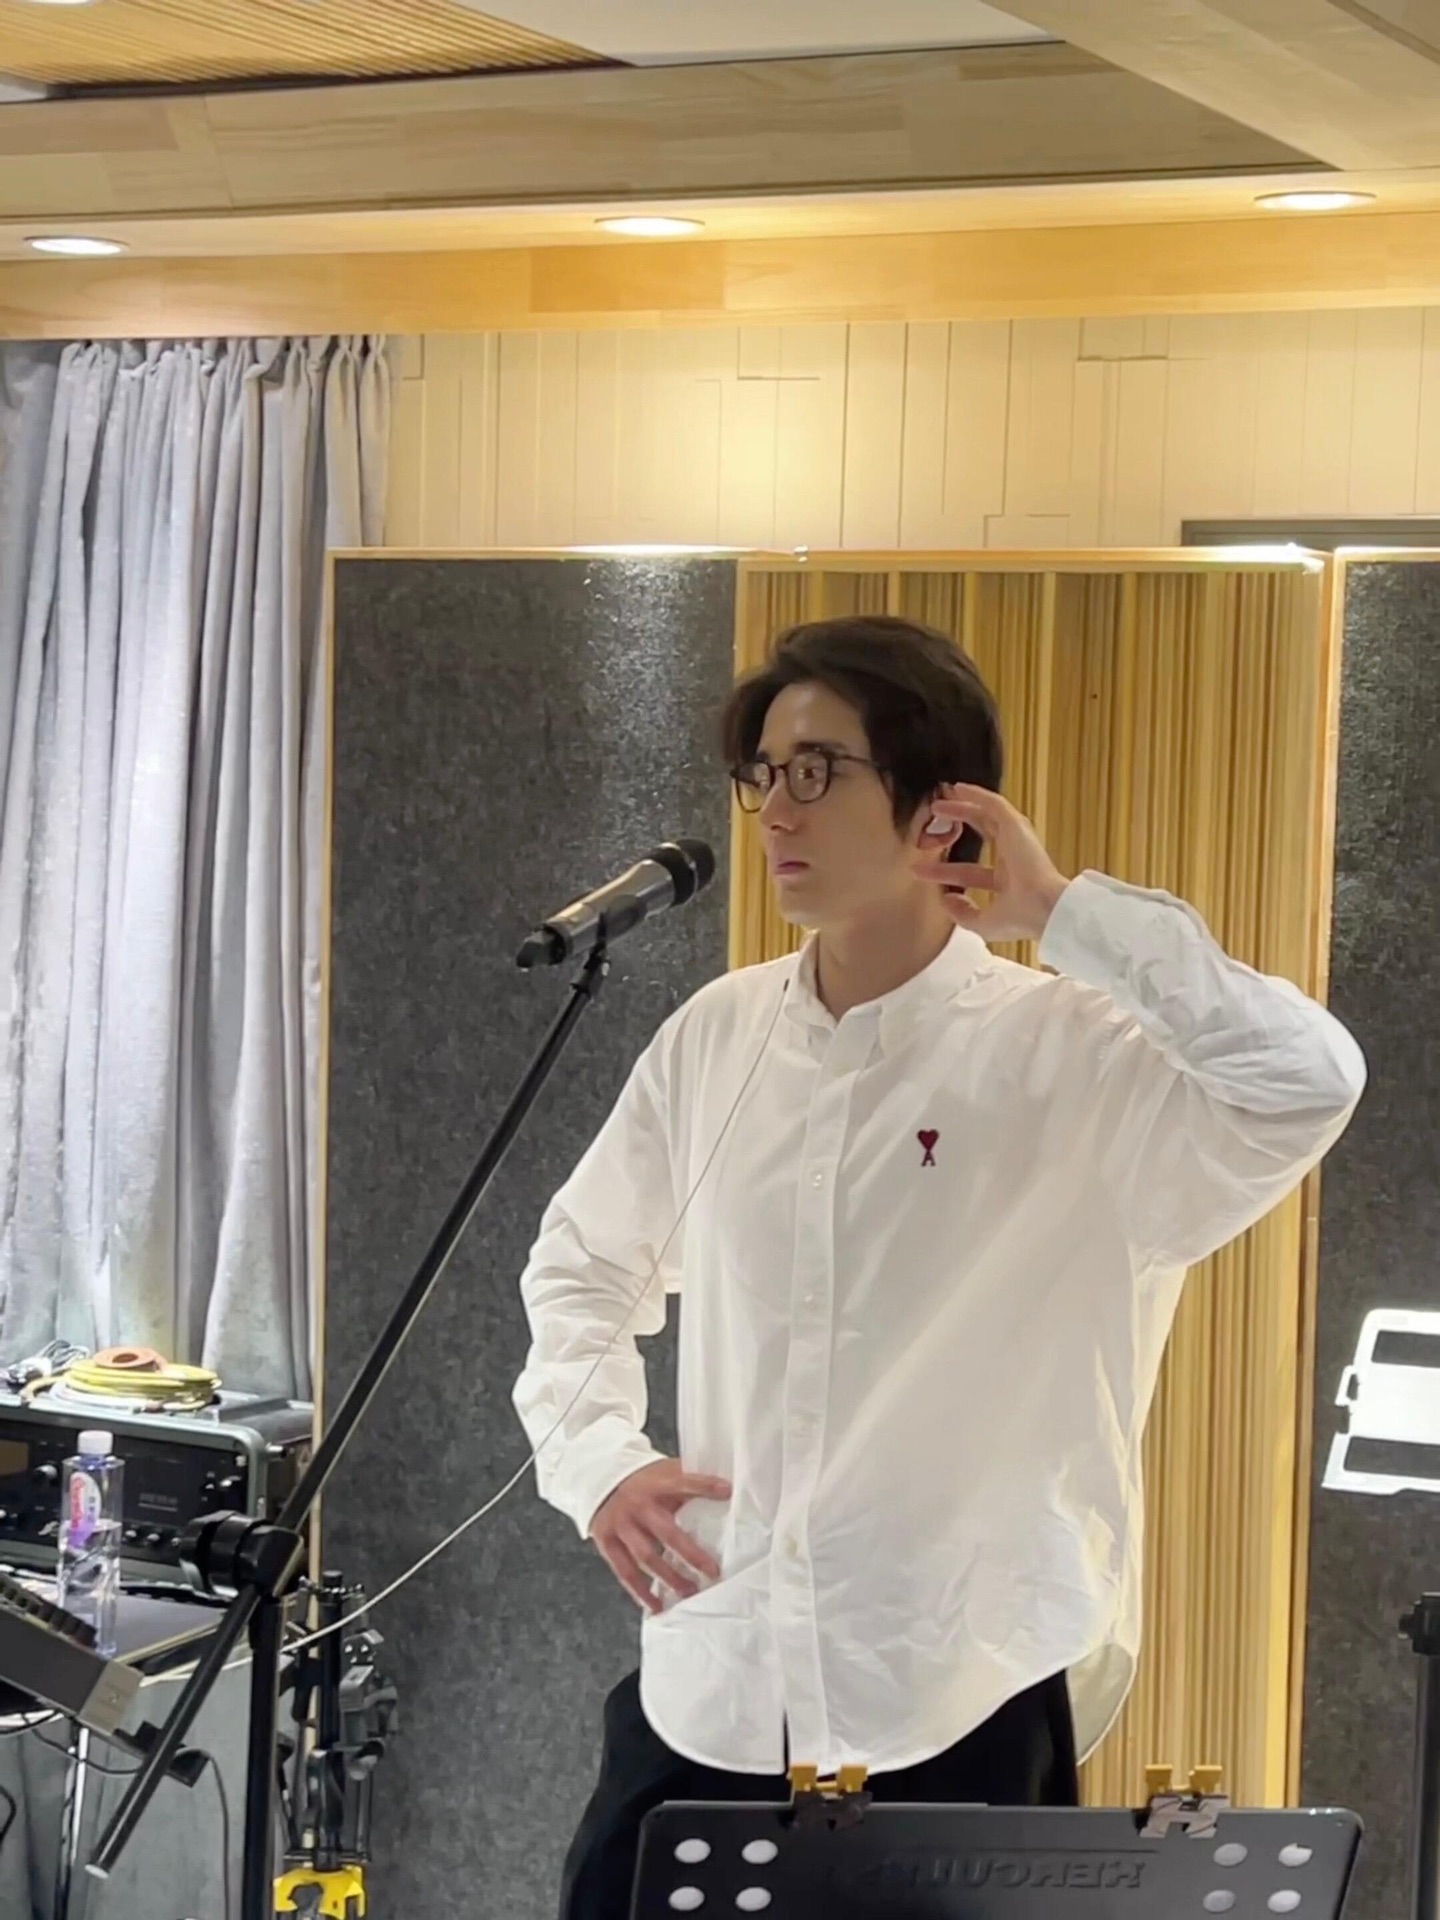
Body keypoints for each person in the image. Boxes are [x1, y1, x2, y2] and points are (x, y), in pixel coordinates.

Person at [513, 613, 1365, 1920]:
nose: (776, 810)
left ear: (938, 804)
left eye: (817, 770)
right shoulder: (715, 1035)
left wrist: (1063, 913)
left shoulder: (1077, 1055)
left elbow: (1309, 1079)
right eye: (762, 774)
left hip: (957, 1684)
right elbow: (581, 1270)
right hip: (717, 1678)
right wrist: (599, 1464)